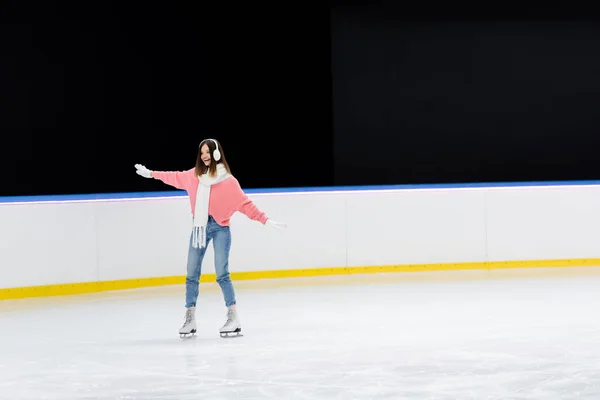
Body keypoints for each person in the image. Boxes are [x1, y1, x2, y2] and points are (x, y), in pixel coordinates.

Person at [134, 138, 287, 338]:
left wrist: (265, 220)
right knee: (191, 274)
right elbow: (173, 176)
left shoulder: (228, 181)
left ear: (216, 154)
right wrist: (152, 174)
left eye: (208, 152)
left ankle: (233, 317)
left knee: (222, 273)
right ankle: (190, 318)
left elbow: (245, 204)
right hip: (199, 229)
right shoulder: (194, 176)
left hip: (220, 229)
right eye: (202, 153)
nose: (205, 156)